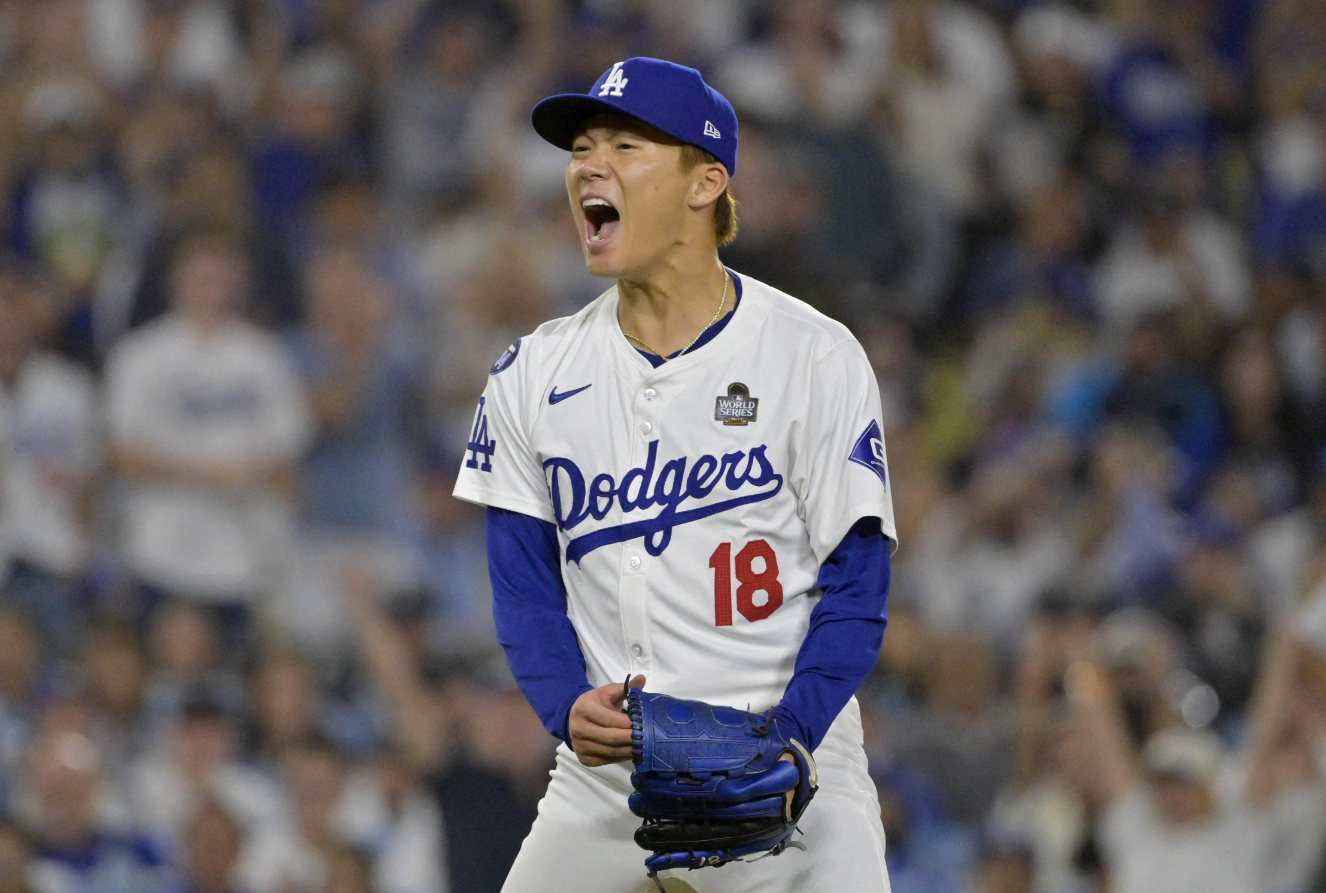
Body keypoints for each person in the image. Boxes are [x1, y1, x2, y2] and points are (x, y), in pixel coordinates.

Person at [452, 58, 895, 892]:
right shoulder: (529, 371)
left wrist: (791, 736)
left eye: (626, 143)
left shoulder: (813, 354)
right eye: (581, 147)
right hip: (607, 779)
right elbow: (522, 583)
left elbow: (859, 583)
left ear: (707, 182)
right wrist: (561, 707)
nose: (589, 164)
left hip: (794, 766)